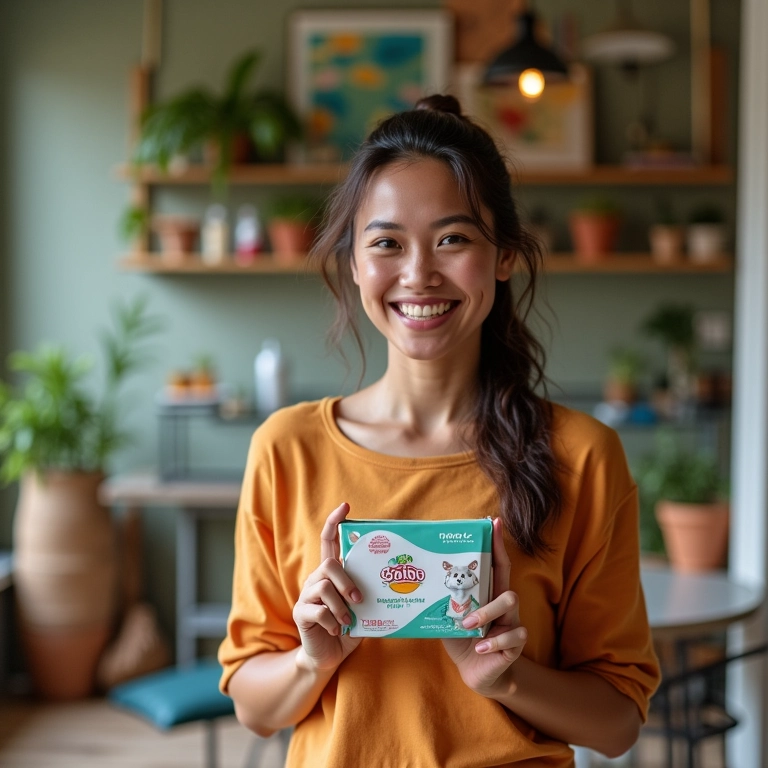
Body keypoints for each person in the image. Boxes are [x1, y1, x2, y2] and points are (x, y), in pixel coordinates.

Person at [218, 94, 661, 767]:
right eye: (387, 243)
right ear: (355, 263)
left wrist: (506, 677)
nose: (418, 273)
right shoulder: (287, 449)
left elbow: (617, 724)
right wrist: (312, 661)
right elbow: (254, 708)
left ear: (504, 255)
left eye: (452, 238)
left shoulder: (582, 456)